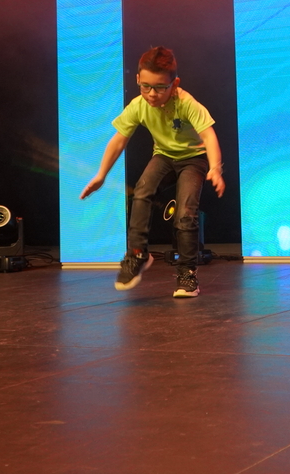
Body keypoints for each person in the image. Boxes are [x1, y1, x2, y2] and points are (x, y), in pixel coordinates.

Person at [81, 46, 225, 298]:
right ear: (137, 79)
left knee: (185, 213)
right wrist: (101, 174)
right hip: (164, 156)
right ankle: (137, 254)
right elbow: (119, 140)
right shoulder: (139, 105)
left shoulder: (186, 103)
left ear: (174, 84)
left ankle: (187, 274)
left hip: (193, 159)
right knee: (142, 191)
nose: (151, 94)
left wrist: (215, 168)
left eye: (160, 88)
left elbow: (208, 135)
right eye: (145, 86)